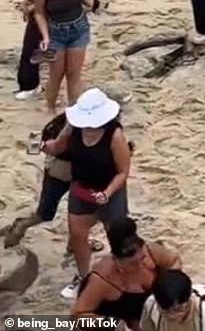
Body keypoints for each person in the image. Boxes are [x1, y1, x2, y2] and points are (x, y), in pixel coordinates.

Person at [41, 88, 131, 299]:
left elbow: (123, 172)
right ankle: (84, 278)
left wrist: (108, 193)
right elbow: (58, 146)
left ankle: (124, 278)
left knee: (118, 238)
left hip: (110, 192)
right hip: (81, 189)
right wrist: (42, 146)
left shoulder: (115, 135)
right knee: (78, 235)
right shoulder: (74, 127)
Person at [2, 112, 102, 257]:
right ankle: (19, 228)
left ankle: (74, 243)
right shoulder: (83, 126)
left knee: (71, 213)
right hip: (66, 173)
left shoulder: (70, 118)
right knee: (50, 214)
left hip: (61, 171)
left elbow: (37, 144)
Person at [73, 217, 181, 330]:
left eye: (143, 258)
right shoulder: (102, 279)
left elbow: (174, 261)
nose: (141, 265)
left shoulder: (150, 251)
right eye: (133, 264)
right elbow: (78, 316)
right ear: (117, 262)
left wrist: (169, 287)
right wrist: (111, 323)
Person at [32, 0, 94, 115]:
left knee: (73, 75)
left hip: (78, 29)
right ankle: (50, 109)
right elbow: (39, 13)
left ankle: (74, 112)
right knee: (56, 76)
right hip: (56, 33)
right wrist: (45, 37)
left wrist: (93, 0)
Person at [141, 269, 205, 331]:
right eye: (166, 310)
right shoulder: (151, 306)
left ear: (189, 299)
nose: (172, 315)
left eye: (178, 309)